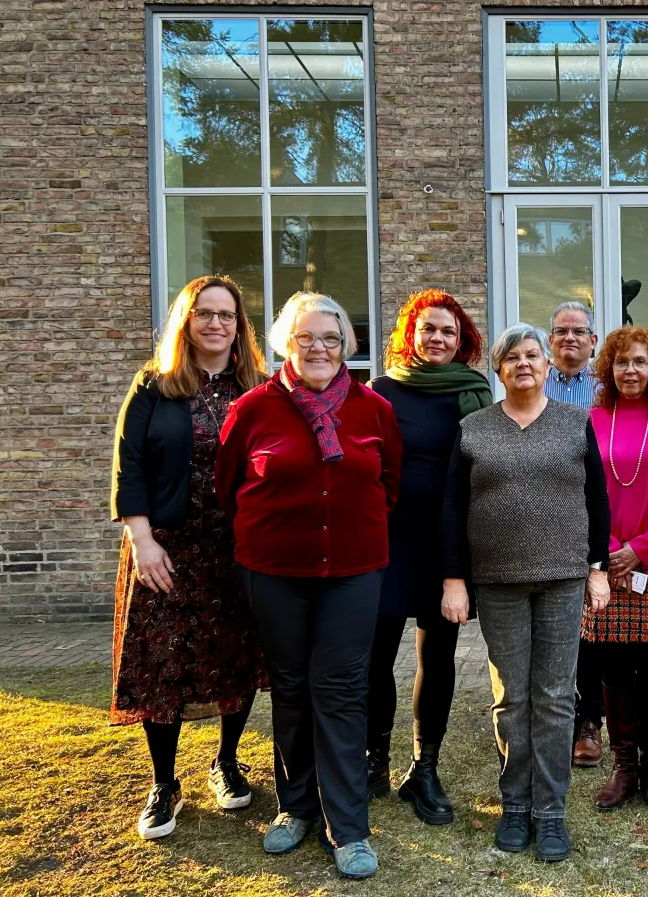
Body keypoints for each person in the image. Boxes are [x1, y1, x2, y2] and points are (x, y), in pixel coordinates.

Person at [216, 292, 403, 880]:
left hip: (354, 571)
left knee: (343, 690)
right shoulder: (252, 409)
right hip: (274, 572)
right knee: (292, 688)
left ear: (347, 345)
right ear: (285, 345)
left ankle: (347, 826)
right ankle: (296, 807)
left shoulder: (374, 410)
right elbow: (228, 490)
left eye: (331, 338)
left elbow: (388, 485)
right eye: (306, 338)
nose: (319, 348)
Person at [441, 323, 611, 862]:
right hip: (496, 582)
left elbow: (598, 500)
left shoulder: (575, 423)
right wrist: (453, 579)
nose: (523, 364)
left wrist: (597, 568)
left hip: (562, 577)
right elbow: (452, 510)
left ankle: (551, 812)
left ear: (546, 365)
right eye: (511, 357)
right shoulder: (473, 429)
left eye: (532, 355)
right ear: (498, 368)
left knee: (556, 697)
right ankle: (515, 804)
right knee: (512, 697)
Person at [110, 274, 267, 841]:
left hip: (238, 551)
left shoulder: (259, 388)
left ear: (239, 326)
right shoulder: (155, 384)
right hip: (167, 552)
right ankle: (164, 783)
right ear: (186, 319)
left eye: (227, 315)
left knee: (238, 656)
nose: (216, 323)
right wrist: (141, 539)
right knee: (163, 665)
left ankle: (226, 761)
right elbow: (129, 468)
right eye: (205, 313)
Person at [366, 289, 492, 824]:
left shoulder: (476, 394)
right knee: (374, 656)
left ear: (462, 341)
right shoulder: (381, 392)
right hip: (386, 541)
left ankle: (425, 767)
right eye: (429, 329)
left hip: (449, 542)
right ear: (410, 334)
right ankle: (373, 761)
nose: (438, 339)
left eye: (449, 332)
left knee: (436, 656)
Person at [585, 327, 648, 811]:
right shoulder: (592, 419)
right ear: (609, 368)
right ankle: (623, 766)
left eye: (640, 362)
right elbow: (580, 492)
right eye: (621, 362)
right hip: (606, 562)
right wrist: (609, 550)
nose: (631, 371)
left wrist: (640, 549)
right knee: (614, 665)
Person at [542, 300, 607, 768]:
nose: (569, 338)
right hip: (539, 519)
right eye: (561, 331)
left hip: (593, 513)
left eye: (578, 331)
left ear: (593, 341)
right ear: (550, 340)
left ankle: (589, 721)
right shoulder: (528, 381)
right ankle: (549, 719)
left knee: (592, 628)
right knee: (548, 628)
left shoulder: (608, 392)